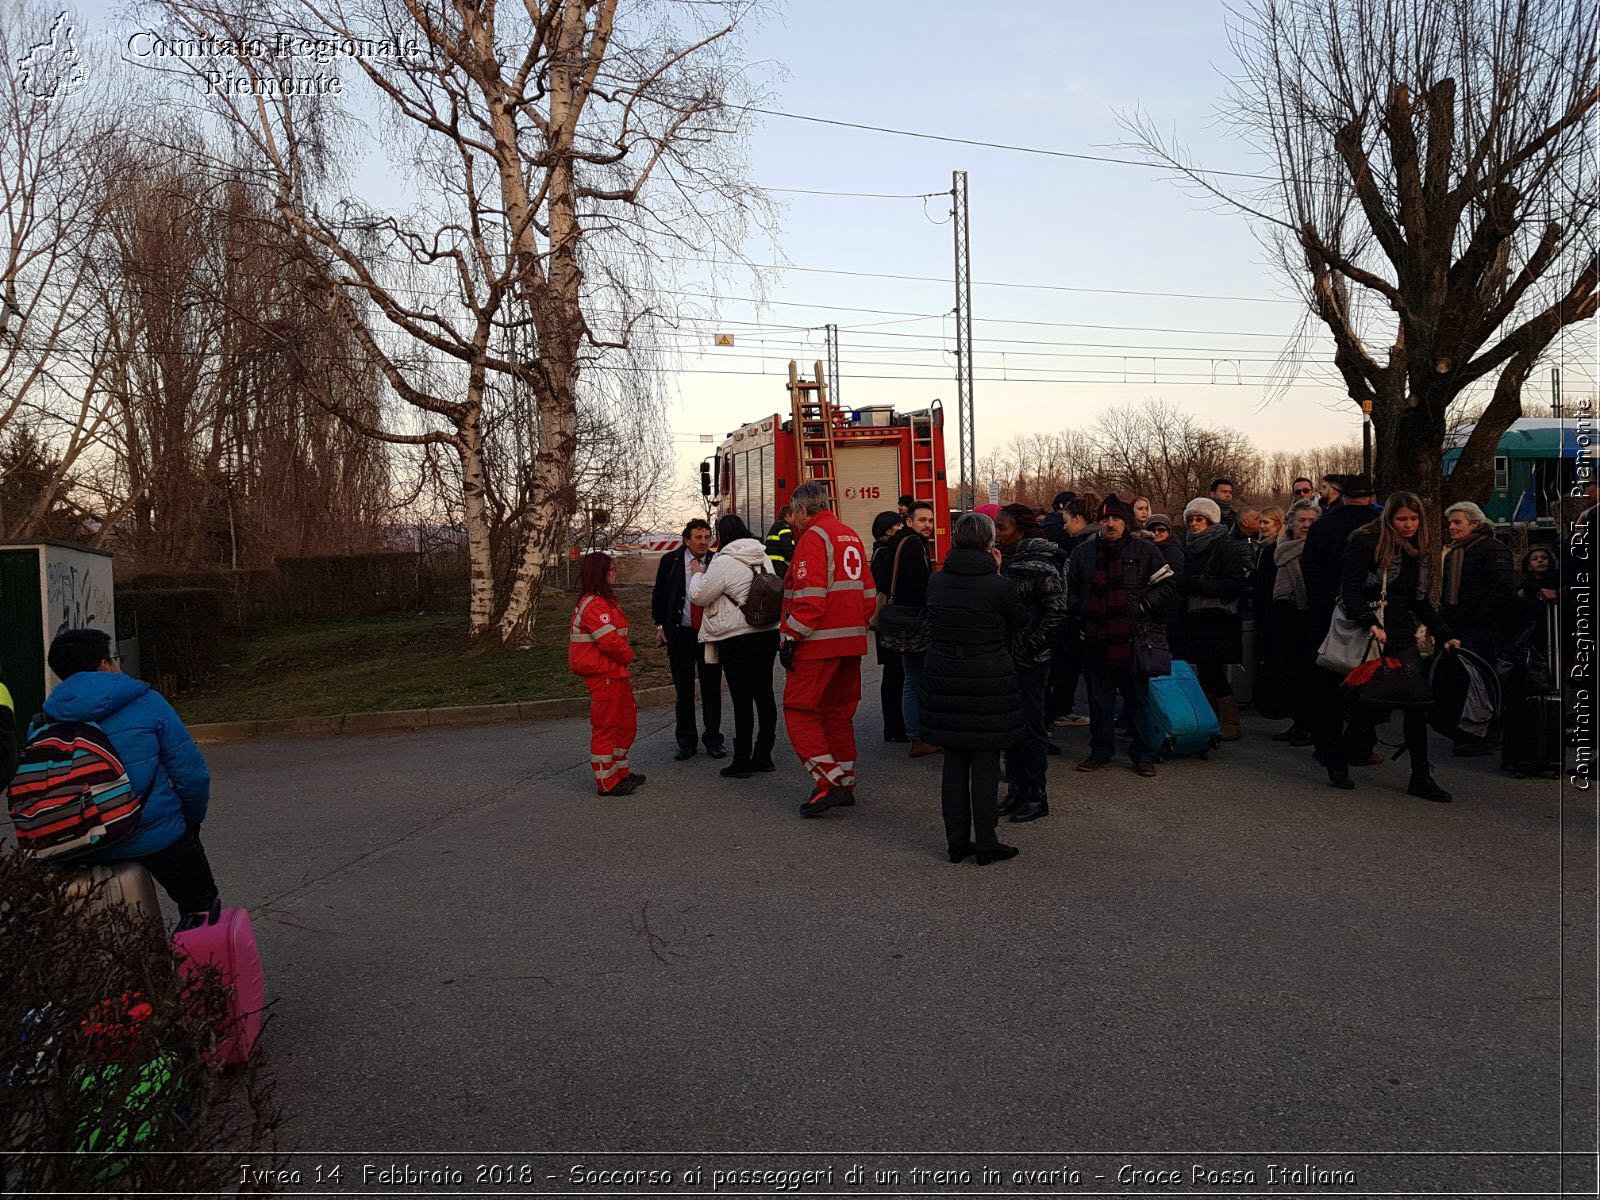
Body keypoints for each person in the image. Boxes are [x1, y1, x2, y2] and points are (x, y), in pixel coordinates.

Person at [31, 629, 220, 922]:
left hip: (79, 845)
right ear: (104, 664)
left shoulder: (44, 720)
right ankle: (200, 960)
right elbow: (191, 774)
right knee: (201, 906)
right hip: (156, 834)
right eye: (114, 657)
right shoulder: (147, 701)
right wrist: (191, 821)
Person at [1318, 491, 1460, 801]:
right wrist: (1370, 622)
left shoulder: (1418, 549)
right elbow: (1350, 591)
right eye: (1401, 519)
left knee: (1417, 705)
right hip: (1372, 634)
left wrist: (1444, 633)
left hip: (1402, 635)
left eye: (1413, 518)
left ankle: (1420, 776)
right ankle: (1339, 754)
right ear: (1389, 518)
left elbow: (1419, 599)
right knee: (1372, 704)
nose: (1408, 524)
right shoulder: (1364, 542)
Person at [919, 511, 1027, 864]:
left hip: (944, 672)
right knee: (985, 761)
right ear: (988, 542)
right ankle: (986, 842)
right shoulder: (998, 585)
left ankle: (956, 842)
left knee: (954, 761)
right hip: (987, 675)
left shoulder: (937, 581)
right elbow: (1020, 622)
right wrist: (997, 575)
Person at [778, 481, 875, 816]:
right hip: (850, 642)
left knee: (799, 711)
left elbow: (810, 599)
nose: (792, 519)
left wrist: (791, 636)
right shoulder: (849, 535)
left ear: (805, 510)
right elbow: (867, 592)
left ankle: (828, 782)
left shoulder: (813, 539)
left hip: (818, 643)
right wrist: (855, 627)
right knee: (837, 713)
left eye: (794, 512)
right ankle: (844, 781)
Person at [1065, 496, 1174, 776]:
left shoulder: (1146, 551)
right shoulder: (1082, 553)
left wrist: (1142, 605)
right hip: (1094, 638)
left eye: (1115, 518)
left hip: (1133, 638)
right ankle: (1100, 752)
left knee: (1137, 700)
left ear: (1125, 521)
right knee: (1100, 702)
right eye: (1105, 519)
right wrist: (1082, 610)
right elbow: (1070, 589)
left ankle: (1144, 754)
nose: (1110, 524)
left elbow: (1166, 585)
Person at [690, 515, 781, 778]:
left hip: (736, 637)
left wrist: (698, 575)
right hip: (766, 632)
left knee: (742, 699)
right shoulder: (763, 556)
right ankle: (764, 755)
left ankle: (741, 760)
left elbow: (700, 596)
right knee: (764, 694)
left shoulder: (724, 561)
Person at [994, 503, 1069, 823]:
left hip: (1030, 660)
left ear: (1020, 531)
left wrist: (1029, 647)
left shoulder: (1041, 563)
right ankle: (1016, 791)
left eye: (1002, 528)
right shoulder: (1007, 559)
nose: (997, 533)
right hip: (1008, 657)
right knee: (1011, 726)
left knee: (1031, 728)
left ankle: (1036, 795)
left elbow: (1056, 611)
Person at [1302, 474, 1382, 766]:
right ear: (1370, 497)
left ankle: (1326, 744)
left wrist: (1323, 603)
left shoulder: (1324, 525)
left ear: (1342, 495)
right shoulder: (1379, 527)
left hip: (1328, 612)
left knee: (1327, 681)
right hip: (1372, 612)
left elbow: (1309, 569)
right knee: (1368, 679)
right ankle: (1362, 744)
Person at [1439, 501, 1515, 757]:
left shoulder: (1493, 551)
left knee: (1481, 679)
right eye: (1450, 522)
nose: (1451, 527)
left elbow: (1501, 589)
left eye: (1457, 522)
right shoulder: (1455, 552)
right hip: (1459, 626)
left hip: (1482, 627)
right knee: (1463, 679)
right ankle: (1466, 728)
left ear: (1475, 524)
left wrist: (1478, 618)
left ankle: (1484, 732)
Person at [1173, 497, 1250, 740]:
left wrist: (1198, 584)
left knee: (1214, 670)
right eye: (1191, 519)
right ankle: (1211, 719)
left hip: (1219, 619)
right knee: (1204, 670)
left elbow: (1234, 583)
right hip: (1196, 617)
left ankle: (1230, 721)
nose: (1194, 524)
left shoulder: (1226, 547)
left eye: (1200, 519)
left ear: (1211, 521)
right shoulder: (1189, 547)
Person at [569, 553, 644, 796]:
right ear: (599, 572)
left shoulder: (604, 600)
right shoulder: (596, 604)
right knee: (608, 725)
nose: (615, 572)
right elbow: (610, 641)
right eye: (611, 569)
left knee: (625, 722)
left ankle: (619, 772)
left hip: (613, 671)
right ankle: (606, 781)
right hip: (603, 673)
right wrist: (628, 655)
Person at [652, 518, 725, 761]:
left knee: (711, 688)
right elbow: (660, 595)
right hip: (680, 633)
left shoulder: (717, 562)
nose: (704, 542)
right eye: (698, 538)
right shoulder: (670, 561)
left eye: (707, 537)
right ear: (687, 540)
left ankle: (713, 739)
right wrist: (660, 625)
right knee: (684, 689)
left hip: (709, 635)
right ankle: (686, 741)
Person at [885, 500, 937, 757]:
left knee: (910, 679)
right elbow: (921, 585)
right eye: (922, 521)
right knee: (919, 680)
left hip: (899, 620)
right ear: (909, 522)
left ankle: (914, 734)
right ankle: (920, 737)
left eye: (930, 520)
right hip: (915, 620)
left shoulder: (895, 543)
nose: (927, 525)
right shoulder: (915, 545)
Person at [1268, 500, 1321, 745]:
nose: (1307, 525)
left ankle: (1311, 726)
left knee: (1309, 676)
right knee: (1289, 673)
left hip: (1309, 616)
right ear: (1291, 522)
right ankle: (1299, 722)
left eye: (1312, 521)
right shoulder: (1281, 547)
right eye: (1302, 520)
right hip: (1284, 615)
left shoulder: (1320, 549)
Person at [1047, 496, 1096, 728]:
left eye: (1067, 520)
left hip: (1082, 616)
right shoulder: (1091, 542)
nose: (1064, 526)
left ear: (1077, 518)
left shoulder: (1085, 547)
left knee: (1072, 666)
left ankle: (1062, 710)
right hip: (1086, 614)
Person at [868, 511, 908, 743]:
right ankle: (895, 726)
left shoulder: (879, 550)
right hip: (890, 619)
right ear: (887, 530)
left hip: (885, 618)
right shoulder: (886, 553)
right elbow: (885, 585)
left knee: (893, 674)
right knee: (895, 674)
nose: (901, 528)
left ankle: (892, 726)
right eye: (897, 525)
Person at [764, 505, 796, 572]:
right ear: (788, 515)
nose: (795, 518)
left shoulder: (778, 524)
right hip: (778, 563)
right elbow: (787, 546)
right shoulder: (785, 526)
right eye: (794, 515)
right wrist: (795, 559)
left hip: (771, 562)